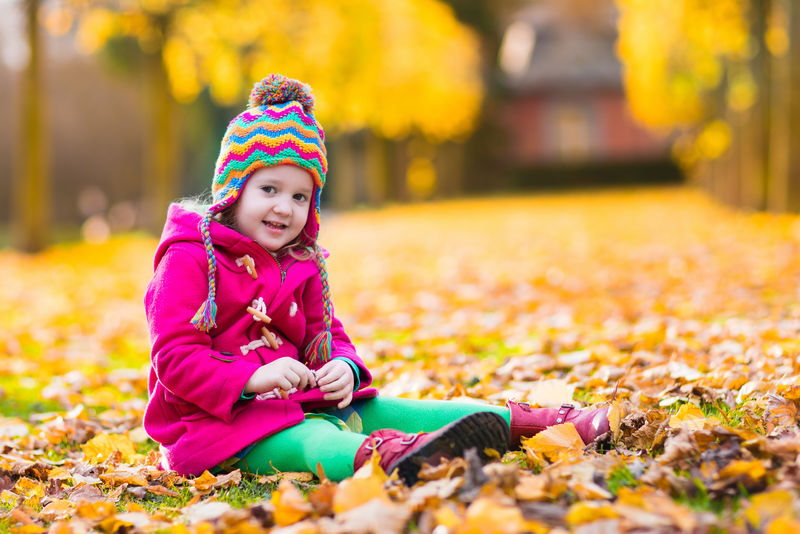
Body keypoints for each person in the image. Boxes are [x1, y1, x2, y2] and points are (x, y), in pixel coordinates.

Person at [143, 74, 610, 485]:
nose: (285, 207)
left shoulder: (299, 260)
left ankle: (539, 424)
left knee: (397, 409)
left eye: (301, 195)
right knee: (313, 439)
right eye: (269, 189)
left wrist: (343, 367)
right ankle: (387, 457)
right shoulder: (189, 258)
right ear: (232, 188)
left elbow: (328, 335)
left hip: (303, 400)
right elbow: (175, 358)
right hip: (218, 428)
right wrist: (251, 378)